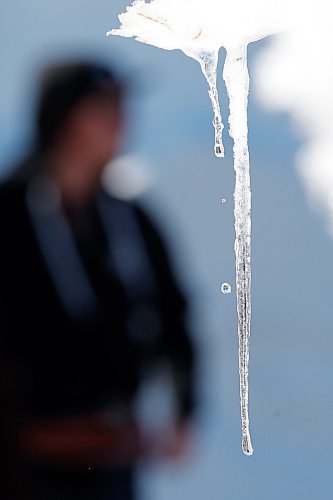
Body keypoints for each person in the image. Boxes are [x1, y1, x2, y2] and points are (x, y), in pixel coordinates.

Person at [0, 60, 195, 500]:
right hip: (22, 469)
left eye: (122, 107)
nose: (121, 120)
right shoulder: (11, 216)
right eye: (103, 108)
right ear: (63, 118)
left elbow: (174, 313)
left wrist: (185, 406)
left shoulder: (130, 220)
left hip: (112, 463)